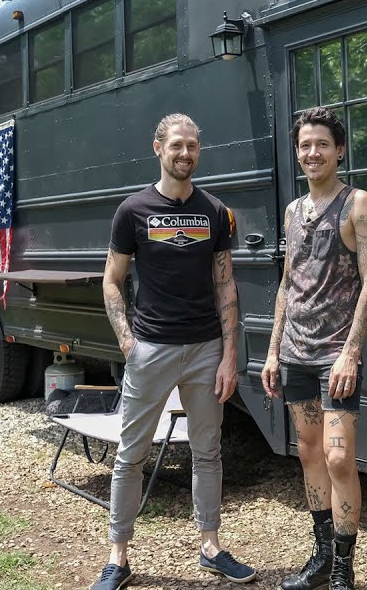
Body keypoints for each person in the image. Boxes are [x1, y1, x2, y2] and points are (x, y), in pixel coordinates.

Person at [92, 114, 256, 589]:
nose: (185, 154)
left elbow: (225, 284)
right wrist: (128, 342)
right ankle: (118, 558)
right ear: (158, 148)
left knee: (208, 452)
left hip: (206, 350)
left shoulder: (214, 211)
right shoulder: (133, 210)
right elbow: (111, 280)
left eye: (193, 146)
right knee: (131, 455)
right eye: (177, 146)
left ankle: (211, 547)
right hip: (151, 349)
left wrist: (229, 356)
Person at [262, 107, 367, 590]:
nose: (313, 153)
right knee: (310, 453)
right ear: (298, 153)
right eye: (305, 146)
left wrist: (352, 352)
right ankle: (321, 557)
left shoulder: (358, 204)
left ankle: (343, 569)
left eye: (322, 145)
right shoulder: (293, 211)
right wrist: (273, 350)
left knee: (338, 458)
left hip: (335, 353)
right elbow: (287, 283)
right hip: (295, 352)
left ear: (339, 151)